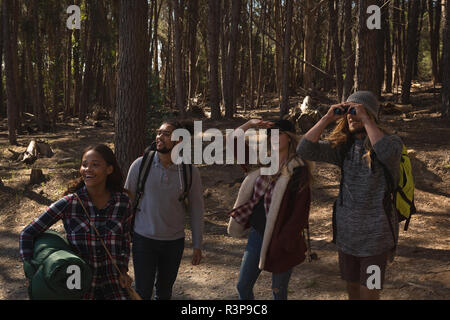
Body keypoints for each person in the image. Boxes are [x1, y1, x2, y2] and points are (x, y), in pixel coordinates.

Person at [297, 91, 403, 300]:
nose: (351, 116)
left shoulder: (392, 143)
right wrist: (327, 118)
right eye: (349, 112)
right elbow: (304, 149)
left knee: (370, 295)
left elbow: (385, 153)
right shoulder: (343, 147)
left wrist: (364, 117)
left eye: (357, 111)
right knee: (353, 293)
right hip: (347, 237)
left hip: (376, 240)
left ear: (371, 115)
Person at [19, 144, 134, 300]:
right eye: (84, 165)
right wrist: (31, 270)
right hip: (79, 287)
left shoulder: (123, 202)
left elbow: (124, 240)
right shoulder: (69, 203)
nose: (88, 169)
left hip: (113, 284)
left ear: (109, 169)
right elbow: (27, 233)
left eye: (95, 165)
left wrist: (123, 270)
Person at [227, 119, 312, 300]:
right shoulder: (262, 162)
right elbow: (233, 140)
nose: (273, 137)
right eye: (270, 134)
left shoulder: (298, 169)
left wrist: (283, 242)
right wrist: (250, 124)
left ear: (289, 138)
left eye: (279, 133)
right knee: (243, 286)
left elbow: (299, 214)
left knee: (278, 291)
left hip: (282, 239)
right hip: (258, 234)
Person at [125, 120, 204, 300]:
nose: (160, 136)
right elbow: (126, 203)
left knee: (164, 292)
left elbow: (197, 209)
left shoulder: (190, 172)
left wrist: (198, 244)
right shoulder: (140, 165)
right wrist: (122, 238)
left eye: (166, 134)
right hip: (143, 239)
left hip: (174, 242)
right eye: (159, 132)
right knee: (143, 292)